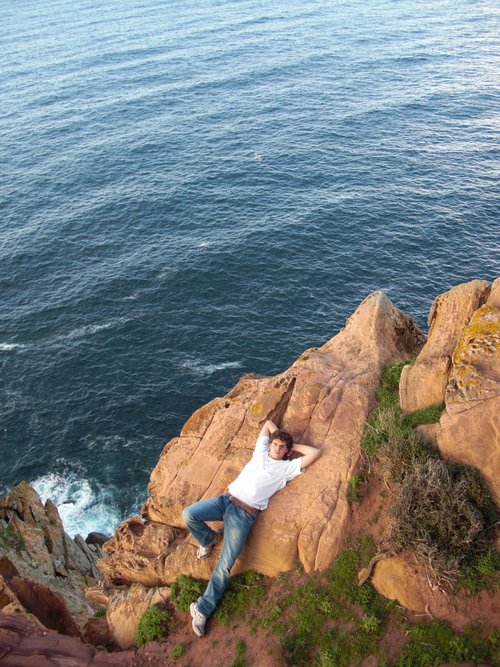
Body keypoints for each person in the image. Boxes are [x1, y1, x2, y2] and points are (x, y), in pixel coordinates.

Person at [182, 419, 322, 637]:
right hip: (225, 501)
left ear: (287, 451)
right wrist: (279, 435)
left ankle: (202, 608)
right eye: (275, 444)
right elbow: (266, 423)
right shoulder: (260, 452)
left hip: (243, 515)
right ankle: (208, 539)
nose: (276, 448)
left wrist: (292, 446)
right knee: (189, 514)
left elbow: (315, 453)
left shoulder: (287, 468)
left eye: (281, 447)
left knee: (225, 564)